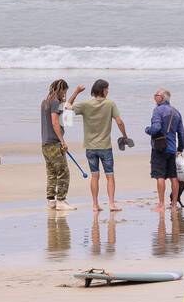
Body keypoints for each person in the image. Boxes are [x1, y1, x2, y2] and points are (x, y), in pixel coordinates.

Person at [66, 78, 129, 212]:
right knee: (110, 175)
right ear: (102, 90)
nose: (108, 91)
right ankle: (111, 204)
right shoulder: (110, 104)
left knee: (95, 176)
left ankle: (95, 205)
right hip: (105, 146)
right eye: (107, 89)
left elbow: (67, 107)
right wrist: (124, 136)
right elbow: (119, 122)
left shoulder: (85, 104)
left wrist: (76, 92)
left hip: (90, 147)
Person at [146, 87, 184, 211]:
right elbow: (181, 133)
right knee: (174, 177)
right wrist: (180, 147)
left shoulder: (158, 110)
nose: (154, 97)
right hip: (172, 149)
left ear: (162, 97)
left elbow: (156, 128)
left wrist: (148, 129)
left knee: (160, 176)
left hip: (159, 148)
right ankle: (174, 204)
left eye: (156, 95)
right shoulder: (176, 112)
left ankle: (161, 204)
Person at [41, 78, 77, 211]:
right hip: (55, 143)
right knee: (63, 172)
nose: (64, 95)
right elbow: (55, 122)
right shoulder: (55, 102)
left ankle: (51, 201)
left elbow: (66, 106)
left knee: (51, 173)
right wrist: (62, 141)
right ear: (61, 89)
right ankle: (61, 201)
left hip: (45, 144)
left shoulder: (45, 102)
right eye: (64, 92)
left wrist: (75, 94)